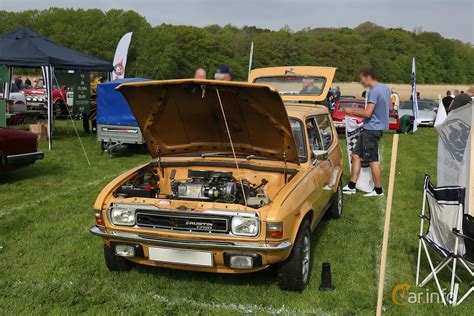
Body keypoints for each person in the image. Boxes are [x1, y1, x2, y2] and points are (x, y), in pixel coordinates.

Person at [342, 68, 390, 197]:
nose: (361, 81)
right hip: (373, 128)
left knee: (372, 160)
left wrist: (351, 111)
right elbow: (389, 107)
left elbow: (368, 113)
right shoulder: (385, 88)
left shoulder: (374, 91)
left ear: (368, 77)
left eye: (362, 79)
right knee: (356, 155)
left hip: (372, 129)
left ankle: (378, 190)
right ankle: (352, 186)